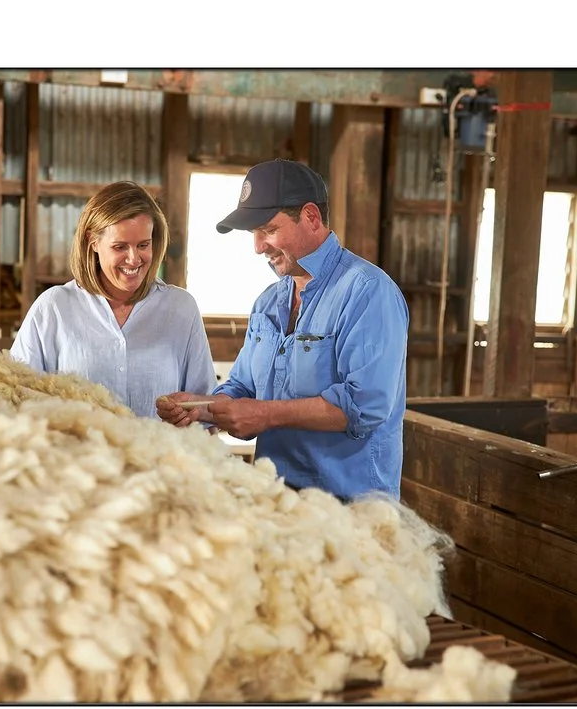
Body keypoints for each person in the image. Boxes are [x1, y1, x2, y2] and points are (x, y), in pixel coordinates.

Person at [155, 159, 410, 502]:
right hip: (276, 502)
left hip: (351, 512)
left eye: (268, 230)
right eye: (254, 234)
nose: (258, 247)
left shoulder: (367, 292)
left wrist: (264, 414)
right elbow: (244, 384)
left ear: (311, 217)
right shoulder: (268, 303)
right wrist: (203, 408)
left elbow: (364, 404)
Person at [10, 181, 213, 415]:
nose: (133, 259)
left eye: (143, 245)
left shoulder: (180, 309)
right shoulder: (53, 308)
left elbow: (205, 408)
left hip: (161, 452)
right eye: (120, 247)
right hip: (75, 452)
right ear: (93, 242)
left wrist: (192, 414)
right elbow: (16, 396)